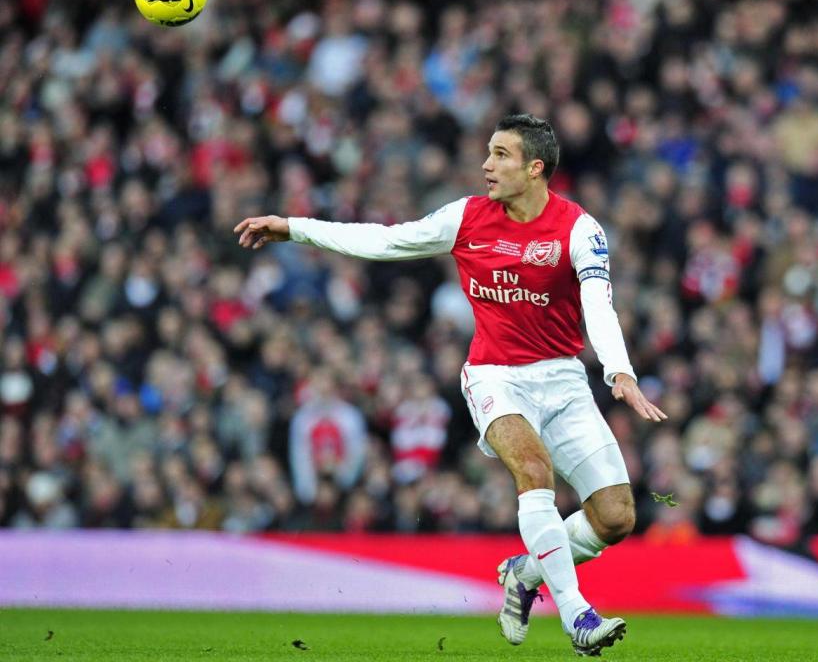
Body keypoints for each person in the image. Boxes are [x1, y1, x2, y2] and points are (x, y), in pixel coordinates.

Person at [234, 113, 667, 656]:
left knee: (616, 517)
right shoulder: (465, 218)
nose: (486, 165)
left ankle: (525, 574)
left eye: (501, 155)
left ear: (536, 169)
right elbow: (385, 241)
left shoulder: (580, 229)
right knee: (534, 473)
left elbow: (598, 303)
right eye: (487, 152)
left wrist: (619, 371)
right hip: (495, 375)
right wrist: (293, 226)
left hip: (564, 380)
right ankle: (577, 615)